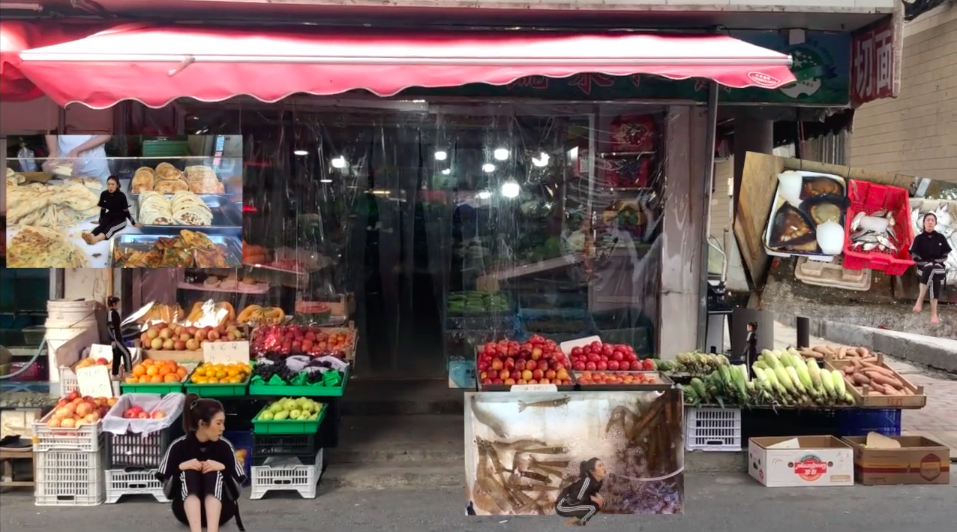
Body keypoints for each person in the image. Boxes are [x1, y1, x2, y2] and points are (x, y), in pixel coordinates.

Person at [157, 395, 246, 532]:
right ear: (202, 423)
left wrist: (223, 469)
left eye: (223, 423)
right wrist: (180, 469)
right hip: (184, 513)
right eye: (218, 423)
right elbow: (168, 493)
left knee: (213, 472)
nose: (222, 428)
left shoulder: (224, 446)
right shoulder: (178, 447)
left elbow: (236, 492)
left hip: (223, 512)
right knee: (189, 472)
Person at [910, 213, 952, 325]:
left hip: (939, 268)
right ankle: (934, 313)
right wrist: (926, 264)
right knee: (935, 280)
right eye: (927, 220)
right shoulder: (918, 238)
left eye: (932, 220)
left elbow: (945, 256)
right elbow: (914, 256)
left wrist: (934, 263)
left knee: (932, 269)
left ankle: (920, 299)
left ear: (935, 223)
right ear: (923, 223)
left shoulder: (941, 238)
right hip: (922, 268)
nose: (930, 222)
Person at [82, 175, 140, 245]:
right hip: (109, 215)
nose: (110, 186)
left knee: (111, 228)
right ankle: (90, 236)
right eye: (109, 184)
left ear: (117, 185)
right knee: (102, 226)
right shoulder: (104, 194)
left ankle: (95, 239)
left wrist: (133, 223)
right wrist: (101, 220)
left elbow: (126, 211)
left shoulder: (121, 196)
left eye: (113, 184)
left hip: (121, 218)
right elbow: (103, 209)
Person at [555, 458, 606, 526]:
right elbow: (578, 496)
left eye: (603, 465)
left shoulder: (599, 481)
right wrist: (595, 499)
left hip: (574, 503)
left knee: (597, 505)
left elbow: (592, 492)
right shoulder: (586, 481)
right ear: (592, 471)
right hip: (563, 506)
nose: (603, 467)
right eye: (600, 466)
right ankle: (567, 524)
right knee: (592, 508)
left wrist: (598, 496)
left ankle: (579, 522)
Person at [44, 134, 112, 180]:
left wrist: (77, 150)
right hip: (65, 165)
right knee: (66, 197)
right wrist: (53, 151)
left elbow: (106, 135)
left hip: (93, 163)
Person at [106, 297, 134, 378]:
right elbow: (110, 327)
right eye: (117, 303)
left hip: (117, 338)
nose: (118, 305)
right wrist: (114, 339)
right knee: (126, 353)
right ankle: (128, 372)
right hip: (116, 339)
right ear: (114, 304)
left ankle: (114, 374)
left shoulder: (114, 313)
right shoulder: (111, 313)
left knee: (117, 356)